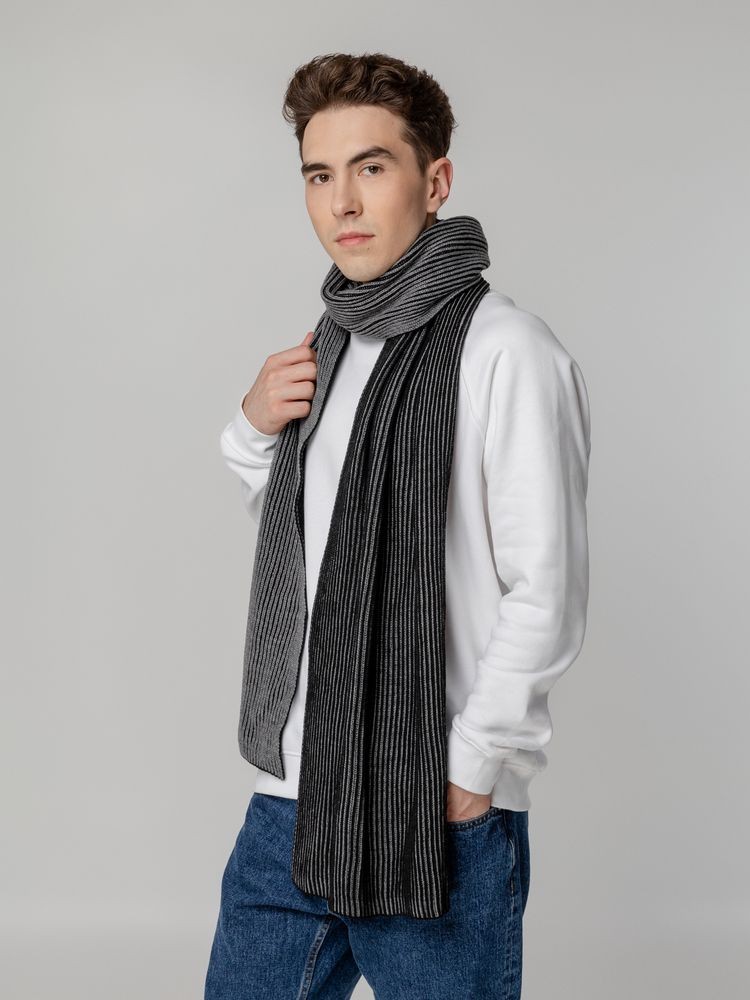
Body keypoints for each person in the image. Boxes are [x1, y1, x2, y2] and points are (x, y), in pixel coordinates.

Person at [205, 51, 591, 999]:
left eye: (371, 167)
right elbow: (310, 538)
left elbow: (546, 590)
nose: (342, 202)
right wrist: (252, 426)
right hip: (294, 798)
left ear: (436, 181)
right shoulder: (331, 345)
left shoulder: (507, 352)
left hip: (435, 807)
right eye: (319, 175)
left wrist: (470, 769)